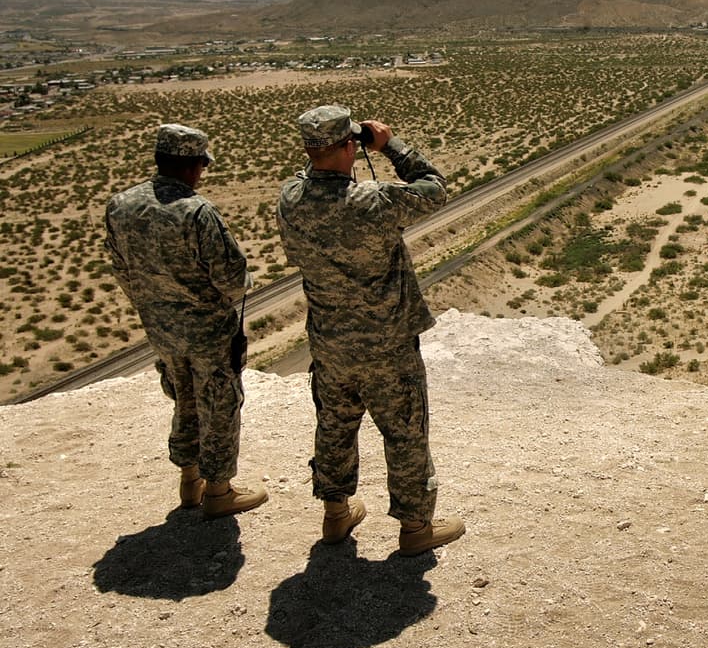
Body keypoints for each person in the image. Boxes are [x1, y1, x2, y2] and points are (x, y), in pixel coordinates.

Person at [277, 105, 464, 556]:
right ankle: (416, 527)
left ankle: (336, 515)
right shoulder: (372, 201)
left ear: (308, 149)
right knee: (403, 433)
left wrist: (332, 147)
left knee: (335, 426)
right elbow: (434, 189)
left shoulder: (291, 199)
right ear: (349, 148)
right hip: (387, 345)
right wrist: (390, 145)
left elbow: (314, 176)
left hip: (330, 342)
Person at [105, 123, 268, 518]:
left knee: (184, 398)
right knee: (220, 404)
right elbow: (232, 281)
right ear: (194, 166)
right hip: (207, 331)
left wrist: (154, 304)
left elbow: (121, 269)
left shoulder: (121, 204)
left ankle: (189, 478)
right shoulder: (197, 211)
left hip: (160, 328)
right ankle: (219, 489)